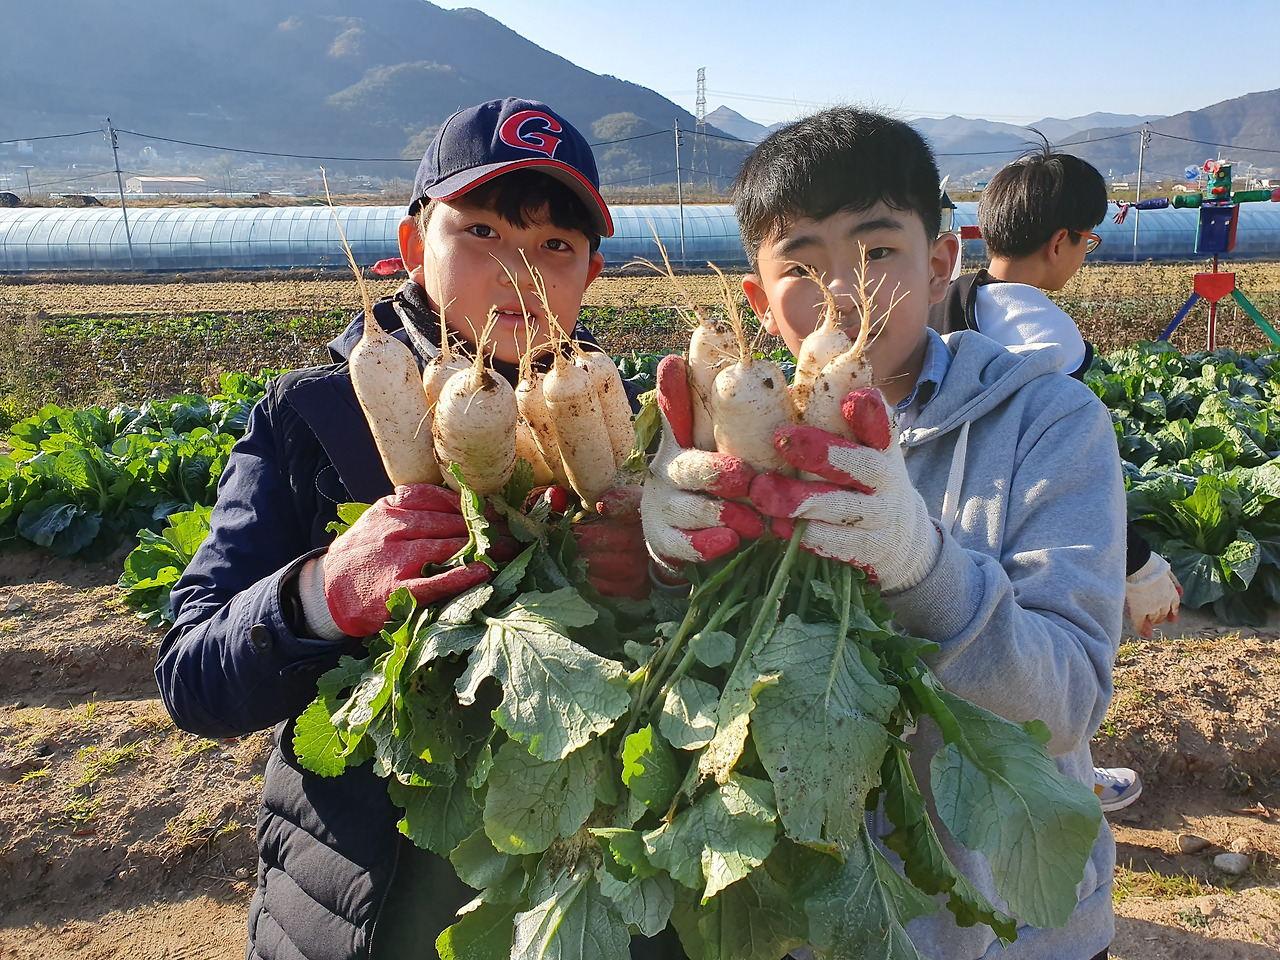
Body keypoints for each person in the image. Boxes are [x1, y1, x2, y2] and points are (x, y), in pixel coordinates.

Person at [154, 98, 656, 960]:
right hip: (367, 915)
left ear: (592, 276)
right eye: (485, 234)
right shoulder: (310, 418)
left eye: (555, 247)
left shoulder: (628, 427)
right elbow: (190, 676)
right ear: (417, 243)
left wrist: (659, 583)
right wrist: (319, 594)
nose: (519, 272)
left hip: (578, 894)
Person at [642, 107, 1125, 960]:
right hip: (807, 915)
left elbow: (1068, 704)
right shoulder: (733, 430)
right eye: (801, 263)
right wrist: (667, 562)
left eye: (876, 252)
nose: (841, 291)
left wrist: (918, 563)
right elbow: (677, 679)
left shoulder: (1052, 422)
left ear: (941, 264)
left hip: (1007, 932)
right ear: (757, 298)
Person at [929, 146, 1183, 813]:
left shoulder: (952, 298)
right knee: (1049, 659)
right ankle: (1062, 785)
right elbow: (1073, 467)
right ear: (1061, 241)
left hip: (945, 526)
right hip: (1022, 529)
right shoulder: (1046, 340)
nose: (1084, 255)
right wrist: (1135, 563)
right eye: (1088, 241)